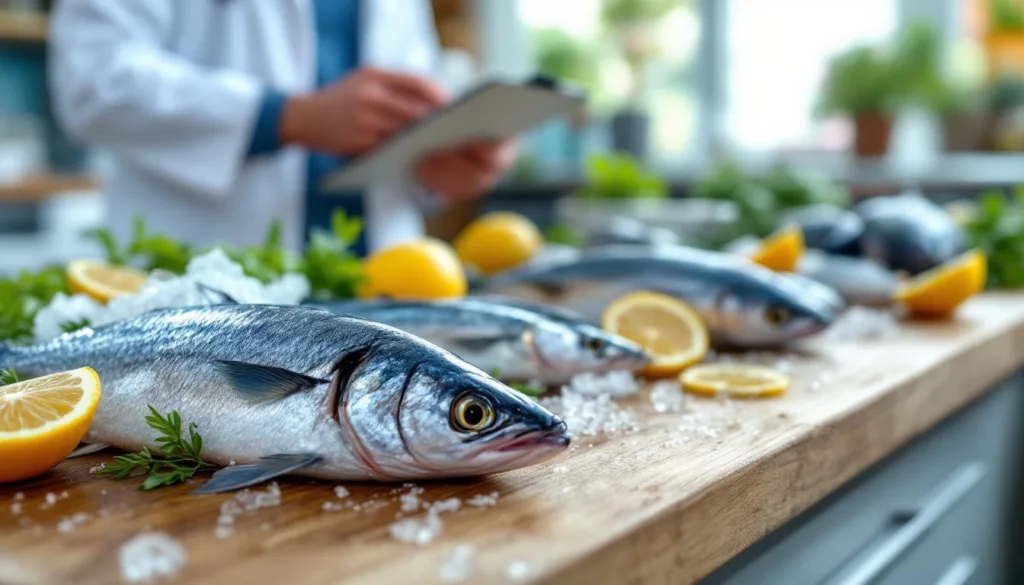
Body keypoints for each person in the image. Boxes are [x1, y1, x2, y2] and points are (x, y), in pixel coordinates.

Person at [47, 0, 515, 256]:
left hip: (385, 285)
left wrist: (435, 163)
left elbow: (406, 99)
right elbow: (93, 79)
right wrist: (289, 117)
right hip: (206, 271)